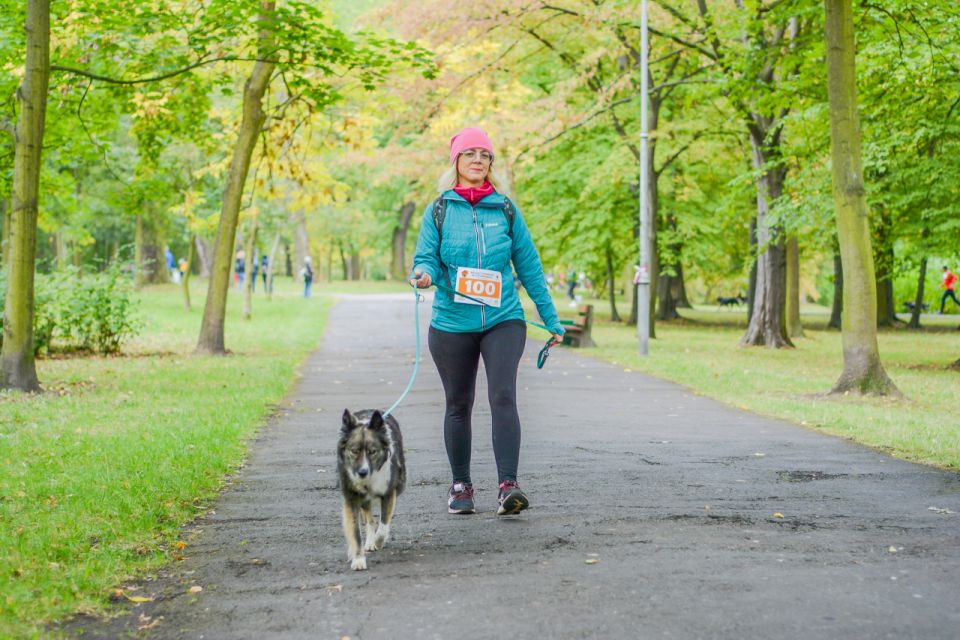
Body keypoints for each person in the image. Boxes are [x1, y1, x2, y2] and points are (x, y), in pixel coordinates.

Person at [410, 126, 564, 517]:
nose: (478, 160)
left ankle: (508, 486)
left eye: (485, 154)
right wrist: (423, 274)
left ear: (491, 163)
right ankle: (460, 486)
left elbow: (529, 267)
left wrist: (551, 319)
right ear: (456, 162)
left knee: (503, 396)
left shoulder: (505, 210)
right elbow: (426, 257)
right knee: (458, 403)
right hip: (452, 323)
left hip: (503, 319)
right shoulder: (439, 210)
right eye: (470, 153)